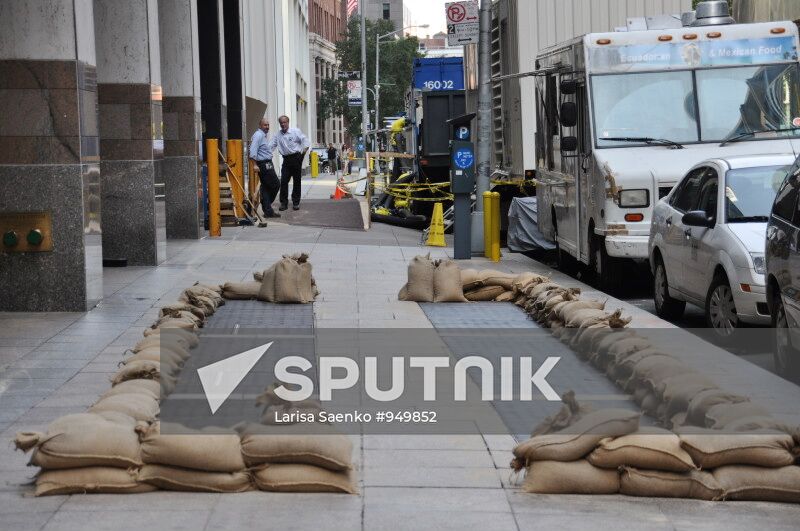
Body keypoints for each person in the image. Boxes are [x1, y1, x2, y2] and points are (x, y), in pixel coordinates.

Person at [268, 115, 309, 211]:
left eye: (284, 122)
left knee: (297, 181)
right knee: (283, 181)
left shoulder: (295, 132)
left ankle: (296, 203)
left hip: (296, 158)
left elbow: (305, 141)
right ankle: (283, 203)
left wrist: (302, 155)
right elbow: (270, 146)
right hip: (286, 160)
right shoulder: (277, 135)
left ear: (288, 122)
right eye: (281, 123)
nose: (283, 124)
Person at [248, 118, 280, 218]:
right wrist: (255, 165)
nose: (267, 127)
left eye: (268, 125)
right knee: (275, 184)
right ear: (260, 126)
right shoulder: (258, 135)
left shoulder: (262, 135)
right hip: (264, 164)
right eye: (265, 125)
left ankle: (268, 210)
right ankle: (266, 205)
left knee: (266, 187)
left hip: (266, 163)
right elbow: (252, 150)